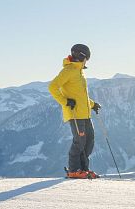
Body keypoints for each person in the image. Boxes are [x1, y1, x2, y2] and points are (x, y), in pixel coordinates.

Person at [48, 44, 101, 179]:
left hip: (85, 114)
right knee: (80, 142)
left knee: (89, 142)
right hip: (75, 114)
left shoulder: (79, 72)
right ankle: (73, 170)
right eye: (86, 59)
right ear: (82, 57)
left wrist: (93, 104)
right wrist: (65, 102)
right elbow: (52, 87)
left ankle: (84, 170)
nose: (86, 62)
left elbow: (81, 96)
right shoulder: (68, 71)